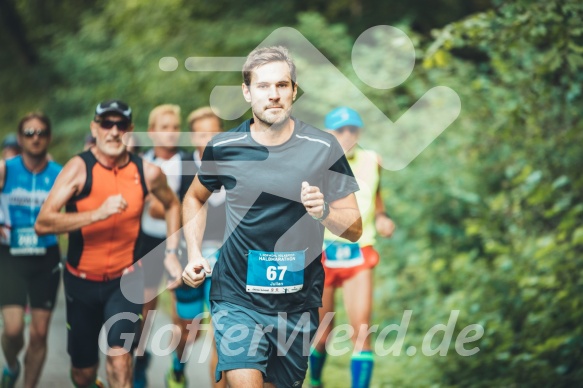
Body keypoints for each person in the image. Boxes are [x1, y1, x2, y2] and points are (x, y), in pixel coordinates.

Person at [181, 46, 362, 388]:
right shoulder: (224, 147)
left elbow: (354, 227)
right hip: (237, 297)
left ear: (294, 90)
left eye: (282, 85)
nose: (274, 95)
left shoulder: (323, 147)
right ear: (247, 92)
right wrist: (193, 253)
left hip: (297, 304)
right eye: (263, 86)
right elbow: (193, 197)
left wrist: (324, 212)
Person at [34, 99, 182, 388]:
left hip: (125, 281)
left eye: (121, 125)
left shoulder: (148, 172)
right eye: (106, 124)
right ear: (95, 128)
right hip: (81, 282)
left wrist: (172, 252)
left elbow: (173, 204)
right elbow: (43, 223)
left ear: (130, 130)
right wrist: (97, 214)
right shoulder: (79, 168)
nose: (114, 131)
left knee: (119, 357)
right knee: (83, 373)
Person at [309, 107, 396, 388]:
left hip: (360, 253)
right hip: (323, 254)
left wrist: (382, 218)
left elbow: (377, 199)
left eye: (353, 130)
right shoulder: (314, 164)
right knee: (323, 334)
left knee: (362, 331)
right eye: (340, 130)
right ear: (329, 134)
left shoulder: (374, 161)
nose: (347, 135)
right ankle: (316, 380)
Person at [163, 107, 227, 388]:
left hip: (226, 263)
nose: (209, 139)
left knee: (222, 336)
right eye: (202, 134)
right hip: (188, 260)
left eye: (214, 132)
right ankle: (177, 369)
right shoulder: (181, 165)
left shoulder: (236, 164)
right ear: (193, 136)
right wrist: (171, 255)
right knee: (190, 333)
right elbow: (168, 209)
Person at [0, 112, 62, 388]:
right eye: (29, 133)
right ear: (21, 138)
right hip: (10, 256)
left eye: (40, 133)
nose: (35, 138)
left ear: (48, 137)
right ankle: (12, 365)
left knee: (38, 334)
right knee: (13, 331)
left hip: (45, 256)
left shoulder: (60, 173)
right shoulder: (5, 169)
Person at [132, 104, 187, 388]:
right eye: (164, 127)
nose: (170, 133)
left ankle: (178, 368)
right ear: (152, 131)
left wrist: (163, 207)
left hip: (181, 244)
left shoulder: (190, 163)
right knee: (145, 310)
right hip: (147, 243)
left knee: (182, 315)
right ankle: (140, 362)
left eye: (175, 127)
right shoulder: (139, 163)